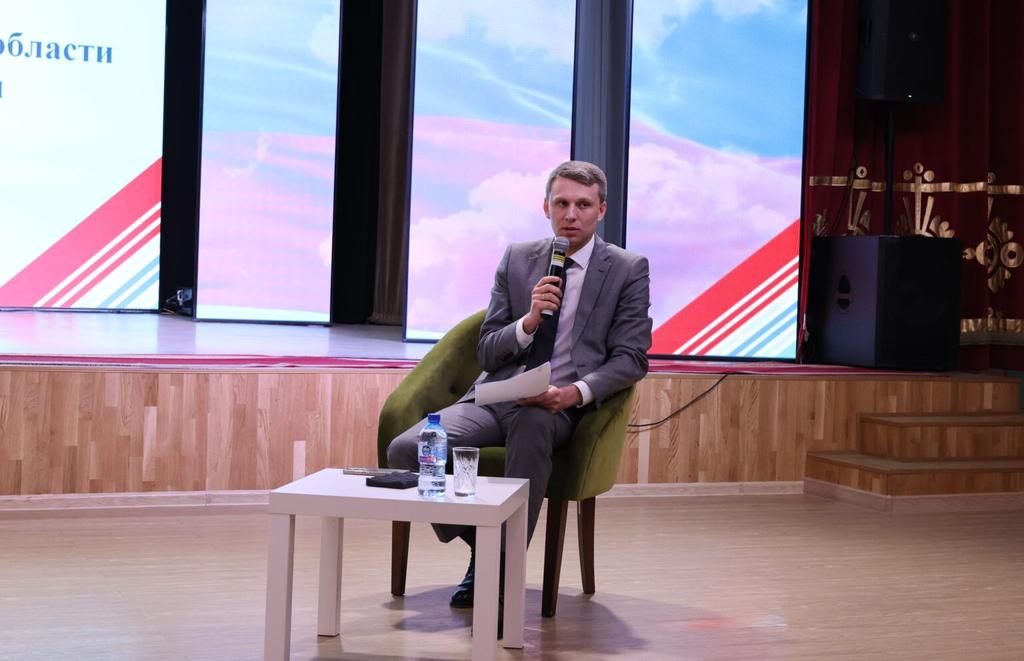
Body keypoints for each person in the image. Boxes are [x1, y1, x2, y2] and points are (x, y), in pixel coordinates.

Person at [387, 159, 652, 612]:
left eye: (583, 205)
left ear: (601, 210)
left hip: (558, 407)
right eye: (561, 203)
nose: (571, 214)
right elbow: (487, 352)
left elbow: (631, 358)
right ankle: (483, 545)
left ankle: (497, 577)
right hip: (495, 398)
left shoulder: (627, 269)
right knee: (407, 450)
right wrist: (528, 322)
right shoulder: (517, 259)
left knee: (532, 424)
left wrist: (573, 393)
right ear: (546, 207)